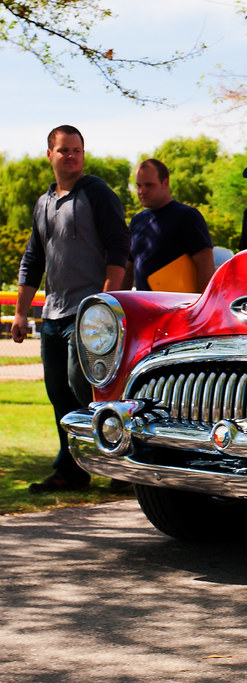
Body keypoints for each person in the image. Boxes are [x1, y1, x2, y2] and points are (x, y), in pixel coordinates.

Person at [12, 125, 130, 492]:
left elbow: (118, 245)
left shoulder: (96, 193)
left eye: (77, 150)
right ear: (50, 154)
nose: (72, 156)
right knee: (58, 393)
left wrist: (105, 304)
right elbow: (33, 259)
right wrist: (20, 312)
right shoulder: (44, 202)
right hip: (52, 315)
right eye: (64, 150)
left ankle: (119, 465)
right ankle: (71, 470)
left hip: (88, 315)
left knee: (87, 389)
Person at [127, 158, 214, 292]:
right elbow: (128, 269)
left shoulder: (187, 216)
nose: (141, 191)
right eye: (138, 185)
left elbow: (206, 267)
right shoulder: (137, 221)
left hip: (179, 308)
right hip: (143, 307)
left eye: (149, 185)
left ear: (165, 182)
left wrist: (202, 307)